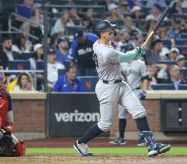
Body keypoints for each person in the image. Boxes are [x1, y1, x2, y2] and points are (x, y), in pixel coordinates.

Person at [73, 20, 171, 157]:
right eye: (109, 31)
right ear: (102, 34)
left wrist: (137, 52)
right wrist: (136, 52)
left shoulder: (98, 43)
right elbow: (126, 57)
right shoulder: (104, 52)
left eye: (112, 30)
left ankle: (152, 144)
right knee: (104, 124)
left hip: (120, 84)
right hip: (107, 88)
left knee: (139, 111)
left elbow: (126, 56)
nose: (112, 32)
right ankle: (80, 143)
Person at [109, 43, 149, 146]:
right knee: (121, 115)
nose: (129, 51)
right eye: (128, 50)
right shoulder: (121, 63)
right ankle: (121, 138)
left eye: (131, 49)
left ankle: (142, 138)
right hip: (123, 91)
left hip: (136, 91)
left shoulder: (140, 63)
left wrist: (144, 91)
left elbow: (145, 78)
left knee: (138, 114)